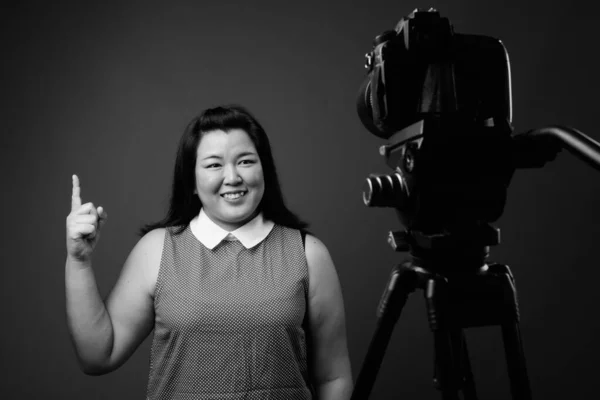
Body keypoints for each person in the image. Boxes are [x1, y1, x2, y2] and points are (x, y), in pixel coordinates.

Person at [65, 105, 353, 399]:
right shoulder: (157, 250)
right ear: (191, 180)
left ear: (264, 169)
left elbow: (335, 378)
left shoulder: (308, 254)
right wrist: (78, 260)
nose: (232, 177)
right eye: (214, 165)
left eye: (245, 161)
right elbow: (98, 356)